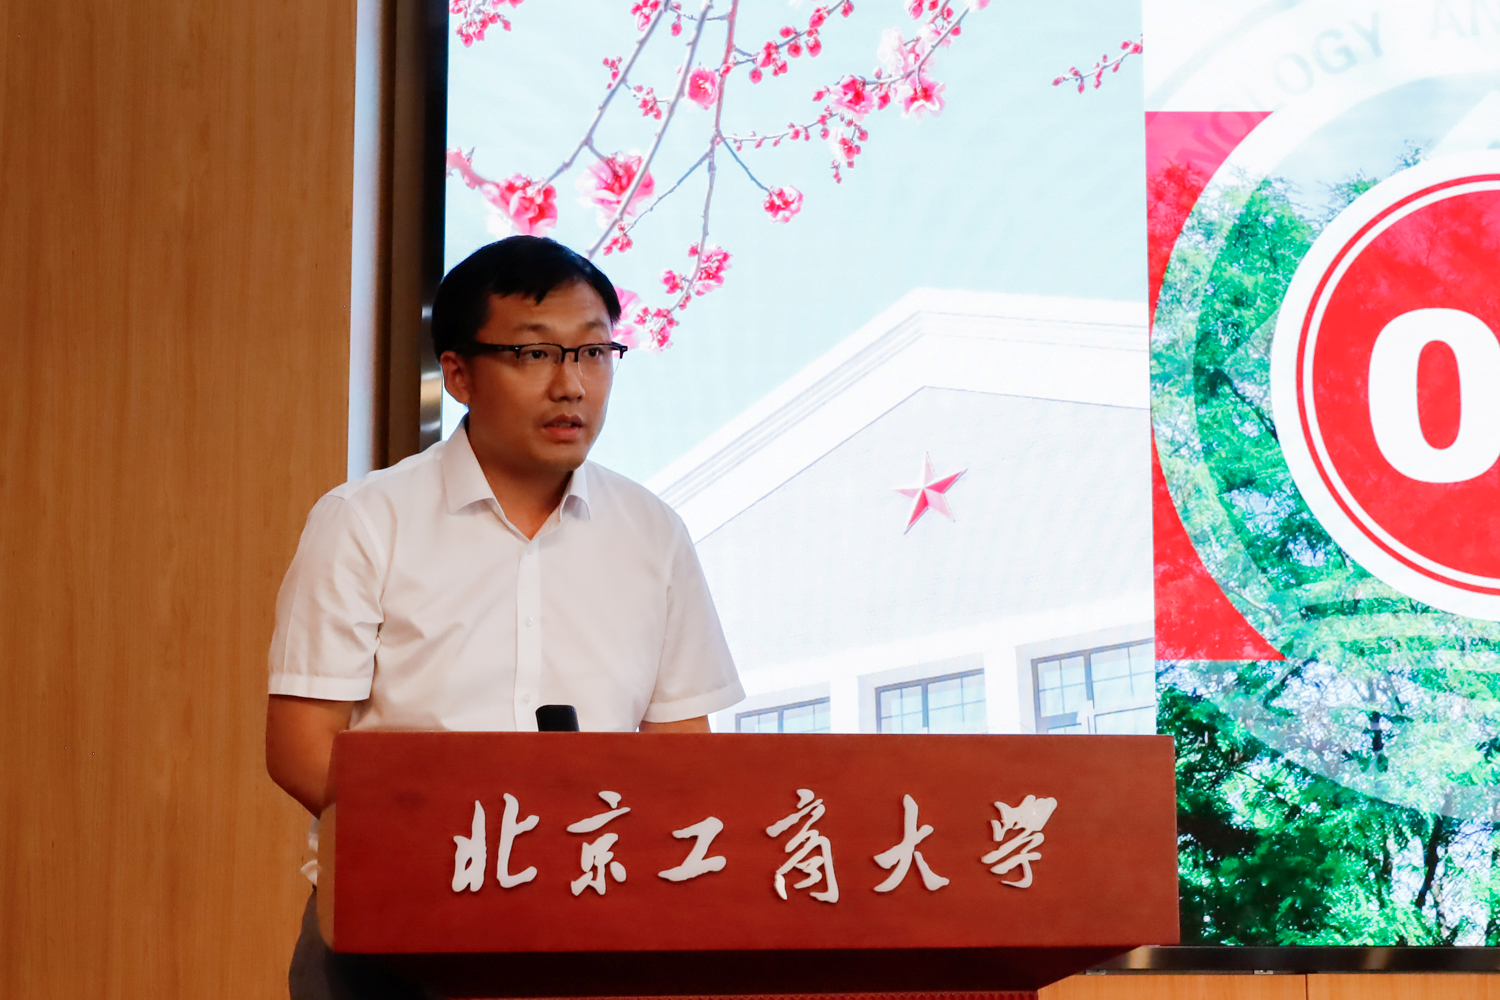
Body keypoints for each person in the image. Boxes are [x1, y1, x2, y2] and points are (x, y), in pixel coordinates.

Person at [265, 236, 744, 998]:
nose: (571, 385)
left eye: (594, 353)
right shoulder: (366, 520)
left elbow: (681, 750)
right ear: (458, 373)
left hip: (593, 928)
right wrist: (464, 844)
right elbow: (300, 746)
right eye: (534, 354)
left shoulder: (652, 533)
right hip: (392, 927)